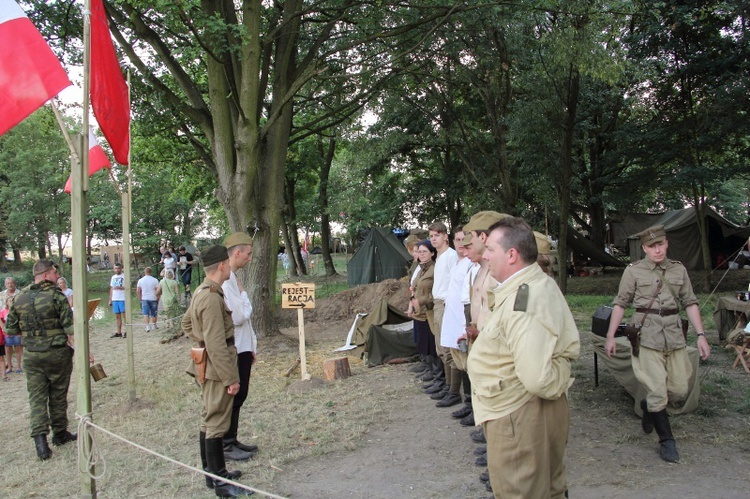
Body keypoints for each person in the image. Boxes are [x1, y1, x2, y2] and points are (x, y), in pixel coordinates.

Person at [468, 217, 580, 498]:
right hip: (519, 412)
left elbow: (537, 379)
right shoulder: (523, 287)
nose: (485, 255)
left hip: (518, 414)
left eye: (490, 249)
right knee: (546, 487)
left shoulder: (525, 299)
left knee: (519, 490)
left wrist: (562, 375)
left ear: (512, 255)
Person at [605, 224, 710, 463]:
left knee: (680, 388)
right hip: (646, 336)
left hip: (674, 335)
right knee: (658, 392)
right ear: (644, 248)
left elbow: (690, 302)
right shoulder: (633, 271)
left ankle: (647, 405)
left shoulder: (678, 270)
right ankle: (666, 441)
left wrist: (702, 335)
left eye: (660, 244)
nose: (657, 250)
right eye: (652, 246)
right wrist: (611, 335)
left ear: (666, 244)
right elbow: (621, 303)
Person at [182, 246, 251, 497]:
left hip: (209, 365)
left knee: (208, 419)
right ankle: (220, 481)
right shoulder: (211, 297)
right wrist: (230, 378)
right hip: (216, 368)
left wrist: (200, 340)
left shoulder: (202, 291)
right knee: (216, 423)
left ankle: (212, 475)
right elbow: (216, 343)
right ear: (222, 265)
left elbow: (187, 323)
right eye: (227, 263)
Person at [4, 260, 81, 460]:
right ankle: (60, 433)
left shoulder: (19, 297)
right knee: (57, 394)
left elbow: (10, 330)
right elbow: (70, 329)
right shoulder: (57, 296)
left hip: (31, 355)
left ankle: (41, 445)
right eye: (55, 273)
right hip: (56, 353)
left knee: (36, 398)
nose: (57, 276)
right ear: (45, 274)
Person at [222, 232, 260, 461]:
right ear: (237, 253)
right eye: (248, 253)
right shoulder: (228, 280)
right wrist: (245, 294)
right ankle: (226, 444)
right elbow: (239, 316)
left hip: (242, 346)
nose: (250, 258)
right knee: (233, 396)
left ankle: (232, 439)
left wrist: (252, 345)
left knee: (241, 394)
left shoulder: (233, 277)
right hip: (234, 346)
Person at [437, 225, 473, 409]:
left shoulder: (470, 264)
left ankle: (469, 402)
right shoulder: (458, 262)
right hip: (452, 316)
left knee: (466, 362)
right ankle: (464, 399)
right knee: (455, 358)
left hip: (462, 318)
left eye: (464, 240)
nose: (461, 244)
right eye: (458, 240)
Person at [424, 222, 458, 400]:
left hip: (445, 303)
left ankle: (453, 392)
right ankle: (447, 385)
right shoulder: (440, 257)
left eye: (437, 235)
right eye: (431, 236)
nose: (434, 239)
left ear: (446, 236)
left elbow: (454, 282)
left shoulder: (451, 256)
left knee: (447, 347)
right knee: (440, 347)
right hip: (438, 303)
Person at [407, 240, 439, 384]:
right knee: (421, 341)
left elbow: (436, 292)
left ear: (432, 253)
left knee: (431, 343)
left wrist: (422, 301)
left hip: (429, 311)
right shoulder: (421, 269)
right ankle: (428, 368)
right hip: (419, 311)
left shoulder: (435, 268)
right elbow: (414, 287)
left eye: (424, 251)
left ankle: (436, 373)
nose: (421, 254)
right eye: (419, 252)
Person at [0, 277, 22, 373]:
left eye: (11, 283)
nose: (10, 285)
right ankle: (9, 365)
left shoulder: (20, 294)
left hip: (17, 324)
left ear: (15, 283)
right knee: (7, 347)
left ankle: (19, 365)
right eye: (8, 283)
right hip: (5, 323)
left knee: (18, 346)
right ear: (5, 284)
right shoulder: (1, 295)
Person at [137, 267, 160, 332]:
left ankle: (147, 326)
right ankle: (154, 325)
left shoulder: (140, 280)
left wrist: (140, 298)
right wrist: (158, 297)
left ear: (145, 272)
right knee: (154, 312)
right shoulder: (155, 280)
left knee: (145, 313)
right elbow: (157, 290)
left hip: (144, 298)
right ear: (151, 272)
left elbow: (138, 291)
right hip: (153, 298)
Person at [109, 264, 126, 338]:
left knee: (125, 316)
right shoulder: (113, 277)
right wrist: (110, 299)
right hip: (115, 298)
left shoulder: (124, 276)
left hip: (122, 298)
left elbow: (128, 287)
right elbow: (111, 288)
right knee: (117, 316)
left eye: (118, 268)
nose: (117, 270)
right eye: (115, 268)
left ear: (121, 268)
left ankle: (127, 331)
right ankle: (119, 332)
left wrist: (120, 287)